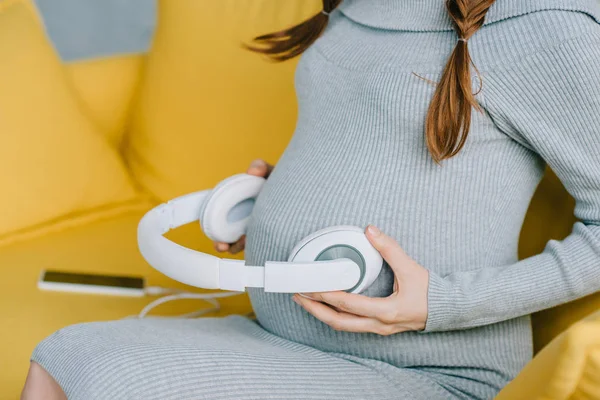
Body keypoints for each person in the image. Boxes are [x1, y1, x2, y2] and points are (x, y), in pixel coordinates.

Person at [21, 0, 600, 399]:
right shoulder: (361, 5)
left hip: (423, 369)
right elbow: (376, 145)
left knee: (109, 381)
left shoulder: (547, 27)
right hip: (285, 329)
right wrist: (279, 201)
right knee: (63, 352)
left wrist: (439, 303)